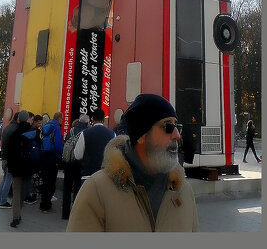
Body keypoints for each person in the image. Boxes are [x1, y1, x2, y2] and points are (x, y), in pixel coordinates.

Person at [68, 93, 198, 231]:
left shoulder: (184, 191)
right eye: (168, 126)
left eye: (177, 126)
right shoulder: (96, 190)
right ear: (141, 135)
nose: (177, 135)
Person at [73, 107, 115, 200]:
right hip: (105, 176)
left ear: (92, 118)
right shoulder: (112, 134)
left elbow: (77, 155)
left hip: (87, 176)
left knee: (88, 207)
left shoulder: (84, 133)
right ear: (103, 119)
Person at [4, 110, 35, 228]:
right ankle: (19, 212)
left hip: (16, 168)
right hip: (29, 167)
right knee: (24, 191)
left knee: (16, 192)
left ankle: (16, 216)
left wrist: (10, 167)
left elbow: (10, 152)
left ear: (18, 119)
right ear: (27, 119)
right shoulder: (33, 132)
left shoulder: (14, 132)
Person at [60, 113, 90, 219]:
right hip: (78, 164)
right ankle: (75, 213)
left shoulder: (71, 130)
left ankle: (65, 213)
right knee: (77, 187)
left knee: (67, 187)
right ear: (87, 123)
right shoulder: (86, 132)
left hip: (68, 163)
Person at [39, 111, 64, 211]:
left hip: (44, 156)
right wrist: (59, 160)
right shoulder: (56, 127)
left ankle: (43, 202)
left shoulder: (47, 125)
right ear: (60, 118)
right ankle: (47, 204)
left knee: (45, 180)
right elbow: (58, 145)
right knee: (51, 181)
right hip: (52, 157)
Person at [0, 112, 18, 209]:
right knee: (8, 180)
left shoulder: (7, 128)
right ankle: (3, 202)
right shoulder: (15, 129)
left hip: (4, 157)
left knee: (4, 179)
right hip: (10, 158)